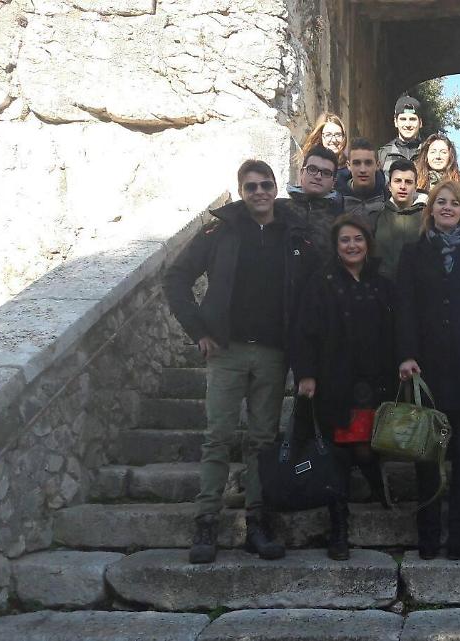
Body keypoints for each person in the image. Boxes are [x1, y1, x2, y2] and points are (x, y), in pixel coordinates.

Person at [163, 159, 320, 564]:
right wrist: (198, 330)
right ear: (241, 191)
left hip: (272, 352)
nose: (260, 192)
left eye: (266, 184)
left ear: (275, 188)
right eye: (251, 187)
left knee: (262, 441)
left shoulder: (294, 231)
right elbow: (176, 277)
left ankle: (257, 523)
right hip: (227, 350)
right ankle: (206, 523)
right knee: (218, 437)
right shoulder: (220, 231)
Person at [396, 180, 460, 561]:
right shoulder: (412, 253)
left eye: (454, 204)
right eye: (440, 202)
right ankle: (427, 536)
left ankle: (458, 536)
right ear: (430, 209)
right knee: (426, 454)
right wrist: (405, 354)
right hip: (427, 366)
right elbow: (404, 307)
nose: (447, 208)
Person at [293, 214, 397, 560]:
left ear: (368, 243)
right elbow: (304, 331)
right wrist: (306, 375)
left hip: (374, 383)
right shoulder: (320, 283)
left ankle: (374, 479)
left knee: (366, 445)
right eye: (345, 241)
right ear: (336, 247)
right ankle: (338, 527)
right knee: (336, 454)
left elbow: (396, 330)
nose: (352, 246)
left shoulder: (382, 284)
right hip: (333, 381)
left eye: (358, 239)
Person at [277, 145, 343, 264]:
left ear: (334, 181)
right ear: (302, 172)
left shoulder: (341, 218)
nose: (318, 176)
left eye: (326, 173)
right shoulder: (279, 209)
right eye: (312, 169)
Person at [372, 158, 427, 280]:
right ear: (389, 186)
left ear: (416, 186)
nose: (403, 186)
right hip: (383, 290)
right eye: (397, 181)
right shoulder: (376, 216)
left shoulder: (428, 217)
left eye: (408, 182)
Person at [415, 133, 460, 208]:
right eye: (433, 152)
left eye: (443, 152)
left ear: (450, 156)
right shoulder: (414, 182)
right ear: (426, 155)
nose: (438, 156)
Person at [335, 138, 387, 219]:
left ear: (378, 165)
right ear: (348, 165)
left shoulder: (388, 198)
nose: (363, 170)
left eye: (368, 163)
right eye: (357, 163)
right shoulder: (336, 198)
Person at [378, 95, 423, 177]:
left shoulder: (428, 152)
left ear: (420, 123)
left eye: (412, 119)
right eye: (403, 119)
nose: (408, 124)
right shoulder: (383, 154)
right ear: (395, 122)